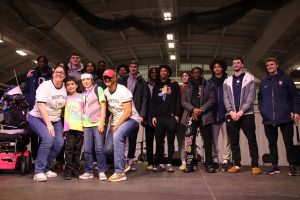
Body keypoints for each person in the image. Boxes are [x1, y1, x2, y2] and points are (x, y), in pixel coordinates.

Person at [258, 57, 300, 176]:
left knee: (288, 143)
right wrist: (263, 111)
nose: (270, 67)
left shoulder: (286, 79)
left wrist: (296, 111)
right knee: (272, 144)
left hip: (285, 117)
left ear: (277, 65)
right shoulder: (264, 82)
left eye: (272, 64)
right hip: (268, 119)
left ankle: (292, 166)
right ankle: (274, 166)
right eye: (268, 65)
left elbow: (295, 97)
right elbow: (260, 99)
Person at [28, 63, 67, 182]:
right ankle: (38, 171)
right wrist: (49, 125)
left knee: (59, 143)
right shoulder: (45, 86)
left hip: (55, 119)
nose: (59, 73)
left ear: (64, 76)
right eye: (57, 72)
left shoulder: (65, 87)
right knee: (48, 138)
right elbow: (40, 105)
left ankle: (46, 168)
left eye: (62, 72)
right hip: (37, 117)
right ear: (53, 74)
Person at [223, 57, 261, 175]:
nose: (235, 64)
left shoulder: (249, 78)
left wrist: (242, 111)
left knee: (252, 140)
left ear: (242, 65)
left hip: (247, 114)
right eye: (234, 63)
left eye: (238, 63)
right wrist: (231, 111)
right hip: (232, 115)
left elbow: (251, 96)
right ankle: (236, 164)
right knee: (234, 141)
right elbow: (226, 97)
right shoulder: (227, 81)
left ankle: (255, 165)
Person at [103, 69, 140, 182]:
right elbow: (109, 111)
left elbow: (128, 112)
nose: (107, 79)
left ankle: (119, 172)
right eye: (105, 78)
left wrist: (116, 126)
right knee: (108, 149)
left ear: (115, 78)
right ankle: (123, 163)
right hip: (116, 121)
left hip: (131, 119)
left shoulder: (123, 91)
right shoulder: (105, 92)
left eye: (109, 77)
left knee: (117, 135)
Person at [181, 67, 216, 173]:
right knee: (189, 142)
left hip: (205, 116)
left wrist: (201, 110)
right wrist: (193, 109)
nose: (196, 74)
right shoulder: (187, 86)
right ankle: (190, 165)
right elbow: (183, 101)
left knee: (208, 141)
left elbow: (212, 99)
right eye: (194, 72)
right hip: (191, 116)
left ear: (201, 73)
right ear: (192, 74)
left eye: (198, 72)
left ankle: (209, 165)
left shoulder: (207, 84)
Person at [118, 60, 148, 171]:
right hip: (122, 112)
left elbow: (145, 99)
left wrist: (142, 114)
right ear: (129, 68)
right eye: (131, 66)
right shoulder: (122, 80)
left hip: (135, 114)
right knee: (122, 136)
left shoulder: (142, 81)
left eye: (135, 66)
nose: (133, 68)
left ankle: (130, 160)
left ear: (138, 68)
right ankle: (122, 160)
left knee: (133, 137)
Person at [151, 64, 181, 173]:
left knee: (171, 141)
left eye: (165, 71)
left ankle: (169, 163)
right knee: (159, 141)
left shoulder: (174, 84)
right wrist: (154, 115)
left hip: (171, 117)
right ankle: (161, 163)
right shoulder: (156, 86)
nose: (163, 72)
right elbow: (153, 102)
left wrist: (177, 115)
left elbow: (178, 100)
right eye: (161, 71)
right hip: (159, 118)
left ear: (168, 73)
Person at [23, 56, 52, 162]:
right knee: (34, 135)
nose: (42, 63)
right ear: (37, 63)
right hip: (33, 108)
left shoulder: (51, 75)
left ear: (47, 63)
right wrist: (28, 100)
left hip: (47, 108)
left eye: (44, 61)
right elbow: (26, 89)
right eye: (40, 62)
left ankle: (43, 158)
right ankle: (35, 159)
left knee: (44, 135)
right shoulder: (31, 74)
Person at [79, 73, 107, 181]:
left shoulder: (98, 89)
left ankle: (102, 171)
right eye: (83, 80)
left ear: (91, 80)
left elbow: (103, 105)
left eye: (87, 79)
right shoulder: (83, 93)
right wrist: (82, 123)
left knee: (99, 148)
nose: (85, 81)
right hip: (86, 125)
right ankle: (88, 171)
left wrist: (101, 122)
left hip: (97, 123)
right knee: (87, 149)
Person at [208, 59, 231, 171]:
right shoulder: (209, 82)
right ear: (213, 69)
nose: (217, 68)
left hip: (226, 114)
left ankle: (226, 160)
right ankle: (215, 160)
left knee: (227, 138)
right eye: (215, 67)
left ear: (222, 68)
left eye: (219, 67)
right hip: (212, 115)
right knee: (213, 140)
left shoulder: (229, 80)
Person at [63, 76, 84, 180]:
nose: (70, 86)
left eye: (72, 84)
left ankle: (76, 168)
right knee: (69, 149)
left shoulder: (82, 96)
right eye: (68, 84)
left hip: (80, 127)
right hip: (69, 127)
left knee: (77, 149)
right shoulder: (65, 98)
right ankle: (68, 170)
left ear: (76, 85)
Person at [144, 67, 159, 170]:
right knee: (149, 141)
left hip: (160, 116)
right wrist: (143, 116)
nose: (154, 74)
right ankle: (150, 162)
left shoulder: (162, 84)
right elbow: (143, 101)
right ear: (149, 74)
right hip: (148, 117)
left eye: (156, 72)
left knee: (159, 141)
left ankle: (157, 162)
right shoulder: (145, 84)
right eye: (152, 72)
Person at [177, 71, 190, 171]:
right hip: (179, 118)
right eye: (183, 76)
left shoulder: (192, 88)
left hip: (189, 117)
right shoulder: (178, 88)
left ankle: (191, 161)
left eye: (186, 76)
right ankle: (183, 162)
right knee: (181, 141)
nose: (185, 77)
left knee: (190, 142)